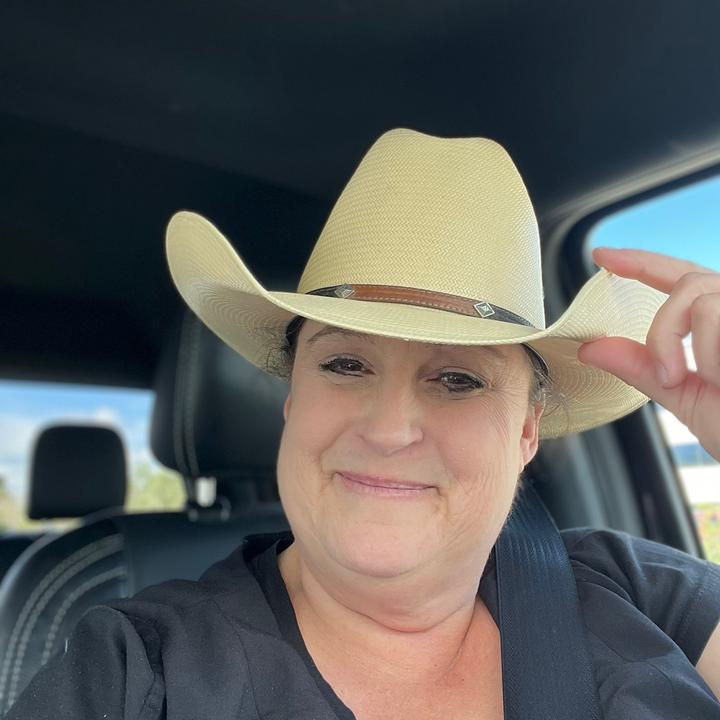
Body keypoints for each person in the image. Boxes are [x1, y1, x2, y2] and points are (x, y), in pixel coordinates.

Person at [6, 129, 720, 719]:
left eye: (459, 378)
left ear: (527, 432)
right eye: (345, 364)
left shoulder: (643, 591)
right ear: (293, 400)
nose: (388, 429)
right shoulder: (134, 674)